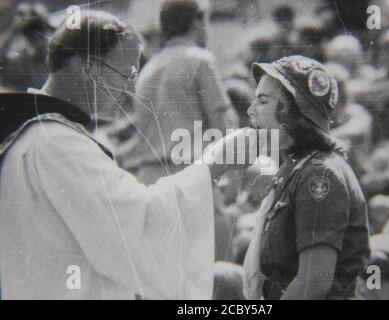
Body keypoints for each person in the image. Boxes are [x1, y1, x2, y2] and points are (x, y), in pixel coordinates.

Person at [0, 10, 254, 300]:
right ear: (89, 67)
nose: (130, 90)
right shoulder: (57, 143)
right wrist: (214, 165)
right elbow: (134, 223)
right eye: (126, 74)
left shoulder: (38, 134)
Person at [243, 55, 370, 300]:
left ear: (290, 111)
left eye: (263, 101)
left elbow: (313, 283)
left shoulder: (320, 175)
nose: (251, 111)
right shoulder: (297, 167)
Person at [120, 0, 237, 185]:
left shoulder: (148, 69)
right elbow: (222, 128)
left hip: (150, 178)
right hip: (190, 174)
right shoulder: (200, 60)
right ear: (196, 22)